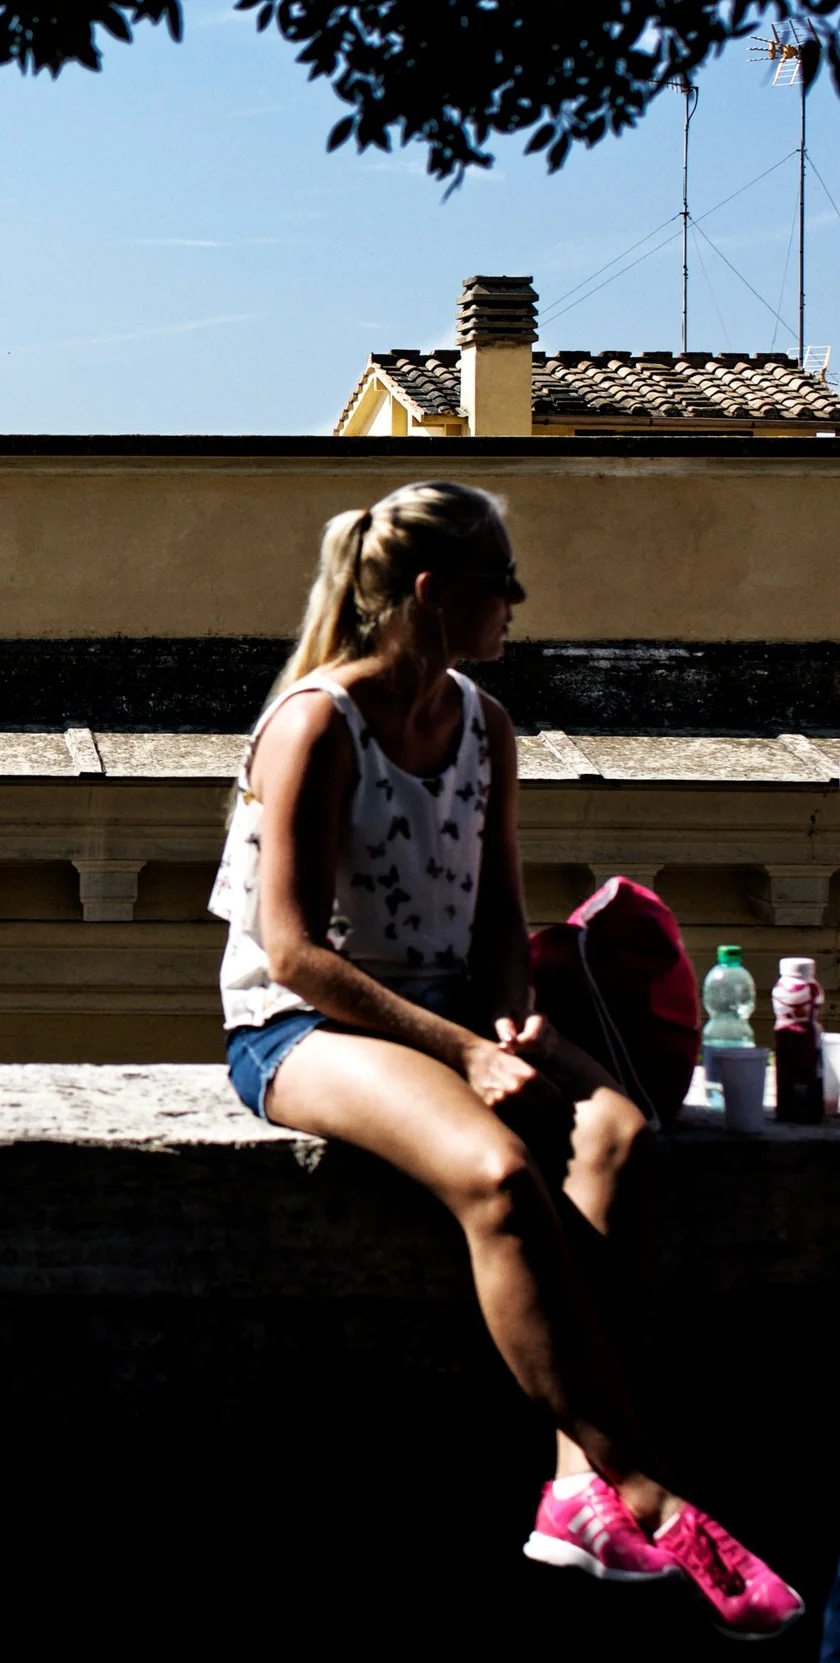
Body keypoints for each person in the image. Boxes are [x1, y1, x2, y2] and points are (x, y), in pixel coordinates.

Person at [208, 481, 802, 1640]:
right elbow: (289, 950)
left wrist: (519, 1010)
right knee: (494, 1175)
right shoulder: (319, 724)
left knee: (622, 1137)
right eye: (502, 580)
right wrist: (467, 1054)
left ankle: (574, 1489)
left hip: (455, 1015)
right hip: (309, 1027)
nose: (519, 601)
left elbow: (495, 912)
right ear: (432, 592)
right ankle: (639, 1484)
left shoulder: (484, 721)